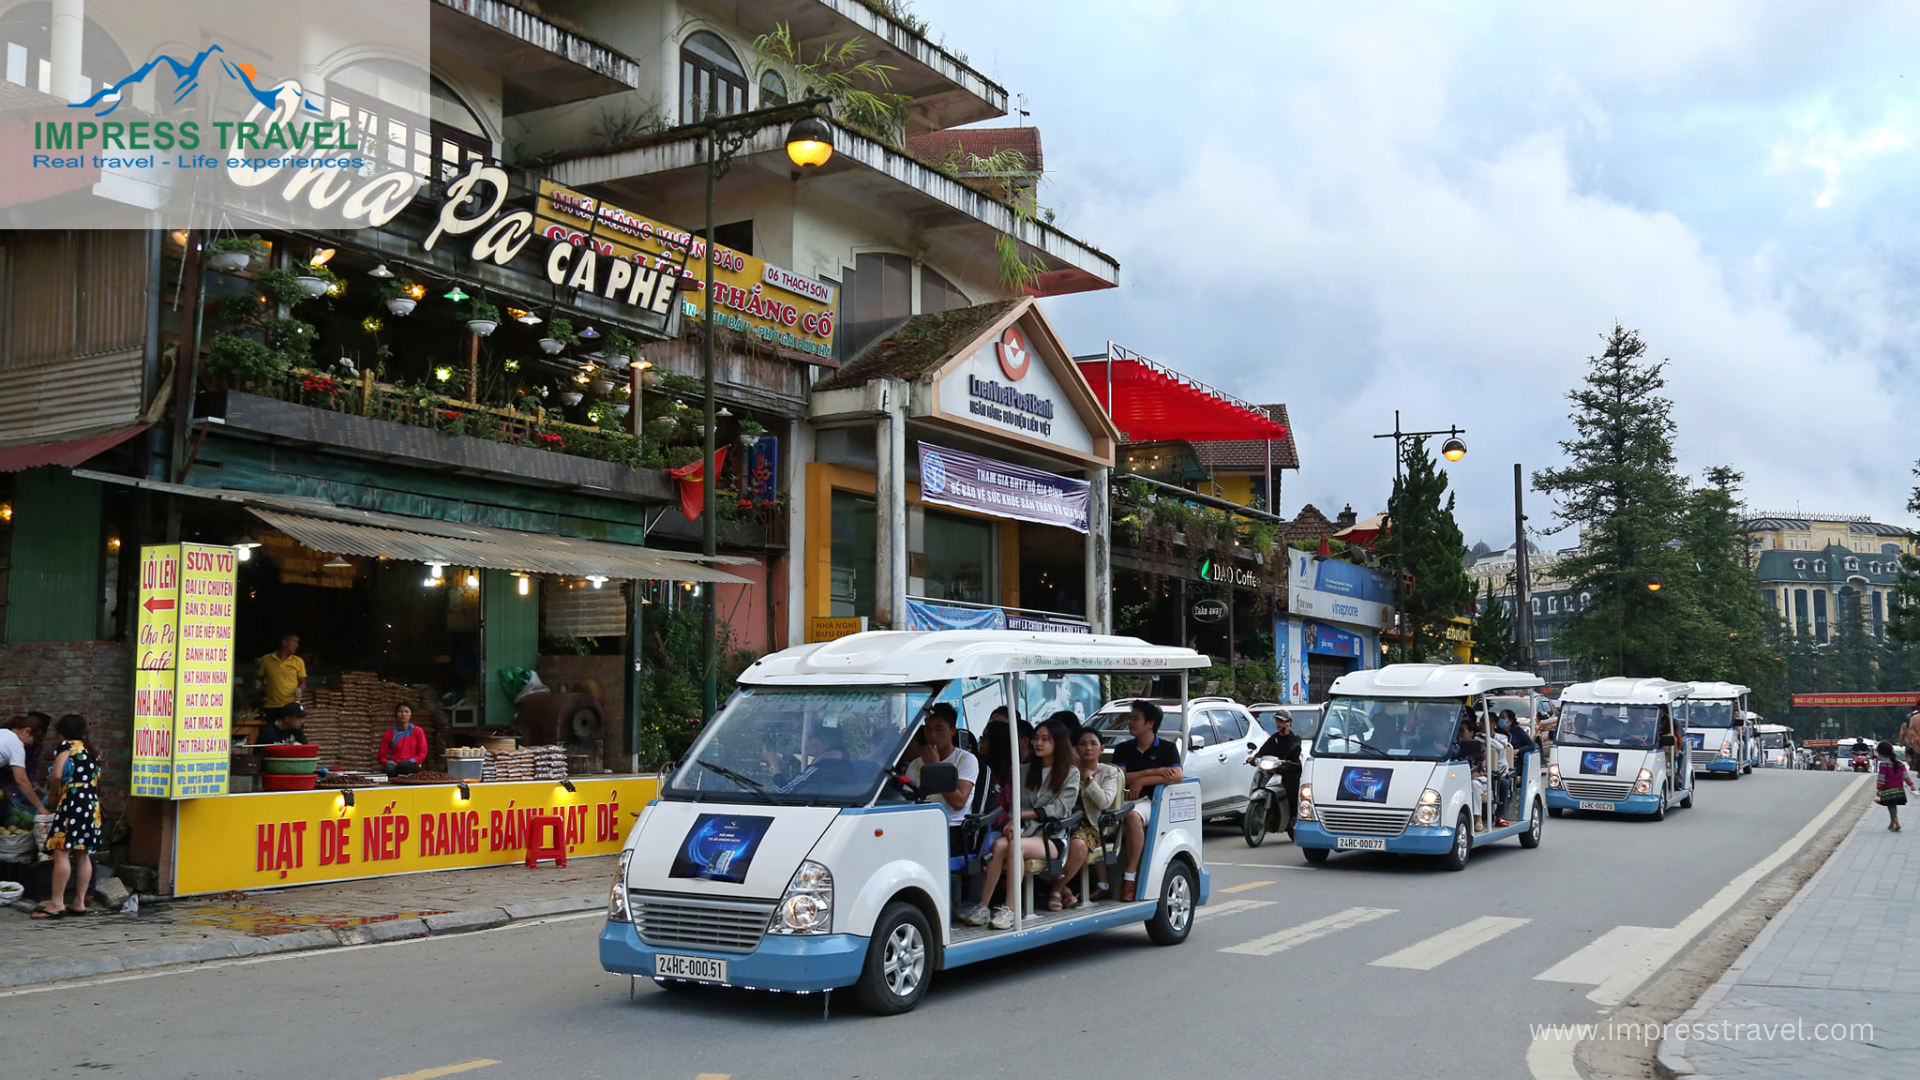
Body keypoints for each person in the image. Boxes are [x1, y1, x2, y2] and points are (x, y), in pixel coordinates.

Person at [967, 717, 1080, 927]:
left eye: (1046, 739)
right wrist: (1013, 822)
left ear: (1058, 742)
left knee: (1015, 847)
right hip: (1025, 831)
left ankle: (1010, 909)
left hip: (1051, 836)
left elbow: (1059, 809)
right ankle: (983, 906)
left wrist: (1021, 817)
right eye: (1037, 738)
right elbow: (1015, 805)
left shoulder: (1071, 773)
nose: (1038, 743)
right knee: (999, 845)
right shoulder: (1026, 771)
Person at [32, 715, 102, 919]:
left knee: (61, 852)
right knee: (83, 854)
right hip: (91, 804)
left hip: (72, 802)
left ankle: (56, 904)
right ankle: (79, 902)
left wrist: (53, 795)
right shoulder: (91, 750)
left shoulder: (67, 746)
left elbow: (56, 775)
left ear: (61, 733)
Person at [1112, 700, 1181, 902]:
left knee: (1133, 817)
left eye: (1135, 719)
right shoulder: (1123, 748)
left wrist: (1142, 781)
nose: (1130, 723)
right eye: (1130, 718)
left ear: (1150, 724)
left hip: (1150, 802)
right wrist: (1152, 771)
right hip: (1122, 799)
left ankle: (1130, 877)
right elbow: (1120, 777)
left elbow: (1176, 775)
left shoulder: (1167, 749)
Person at [906, 703, 979, 846]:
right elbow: (908, 800)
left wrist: (935, 767)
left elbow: (958, 802)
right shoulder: (915, 764)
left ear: (952, 730)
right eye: (928, 729)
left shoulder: (966, 760)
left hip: (953, 829)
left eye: (939, 730)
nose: (932, 736)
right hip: (920, 827)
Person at [1072, 728, 1124, 902]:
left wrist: (1088, 779)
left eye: (1093, 744)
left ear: (1101, 749)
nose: (1088, 748)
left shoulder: (1109, 772)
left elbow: (1104, 802)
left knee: (1077, 840)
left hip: (1097, 825)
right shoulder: (1070, 772)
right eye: (1083, 744)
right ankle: (1065, 890)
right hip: (1069, 823)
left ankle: (1058, 890)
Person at [255, 633, 308, 743]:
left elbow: (303, 683)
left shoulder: (298, 661)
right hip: (272, 705)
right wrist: (259, 685)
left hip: (291, 706)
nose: (296, 645)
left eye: (297, 642)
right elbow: (259, 678)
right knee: (270, 737)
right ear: (284, 643)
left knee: (298, 737)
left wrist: (299, 689)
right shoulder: (267, 660)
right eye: (294, 642)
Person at [1, 714, 50, 816]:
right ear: (26, 731)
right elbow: (22, 781)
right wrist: (41, 808)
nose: (31, 744)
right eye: (34, 739)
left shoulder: (4, 732)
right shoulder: (16, 745)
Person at [378, 703, 427, 777]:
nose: (403, 714)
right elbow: (381, 756)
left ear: (411, 714)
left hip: (411, 764)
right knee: (389, 768)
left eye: (406, 711)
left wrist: (411, 761)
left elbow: (422, 753)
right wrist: (390, 762)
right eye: (400, 712)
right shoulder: (389, 733)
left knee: (403, 765)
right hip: (395, 765)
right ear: (396, 715)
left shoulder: (418, 731)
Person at [1876, 741, 1914, 831]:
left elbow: (1881, 778)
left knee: (1890, 805)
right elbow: (1905, 776)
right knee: (1893, 805)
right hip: (1899, 789)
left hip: (1888, 789)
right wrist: (1911, 785)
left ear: (1881, 753)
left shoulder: (1884, 764)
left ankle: (1896, 821)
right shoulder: (1900, 764)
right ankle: (1892, 823)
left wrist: (1879, 789)